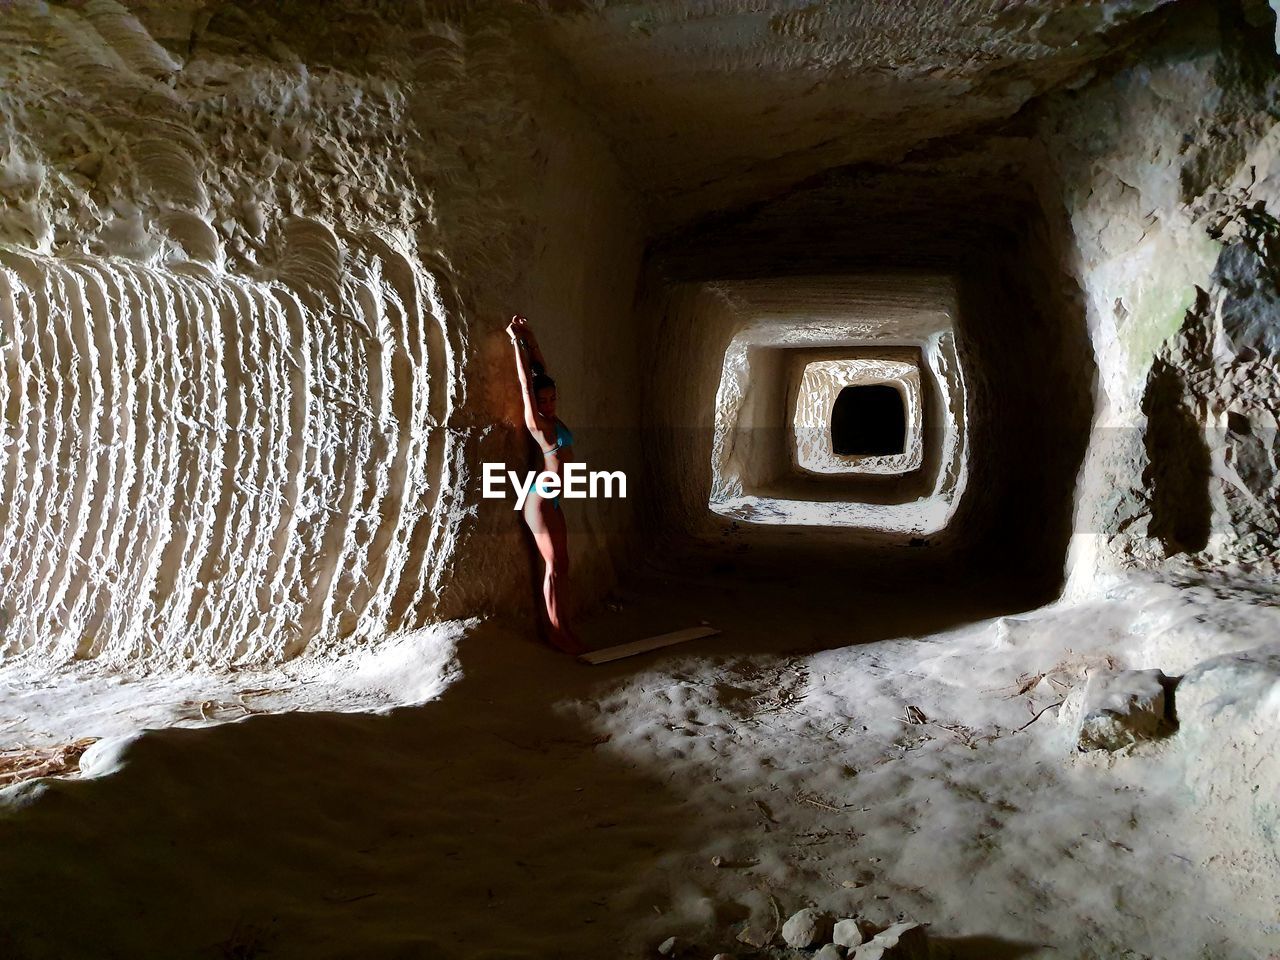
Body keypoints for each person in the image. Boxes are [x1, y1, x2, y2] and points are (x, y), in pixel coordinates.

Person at [506, 315, 583, 654]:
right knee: (553, 566)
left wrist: (531, 337)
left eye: (553, 398)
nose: (549, 404)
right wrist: (515, 342)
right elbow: (527, 384)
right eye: (544, 401)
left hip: (553, 499)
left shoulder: (553, 417)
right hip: (538, 499)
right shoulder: (536, 422)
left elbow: (540, 373)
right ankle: (556, 632)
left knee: (562, 565)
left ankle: (563, 624)